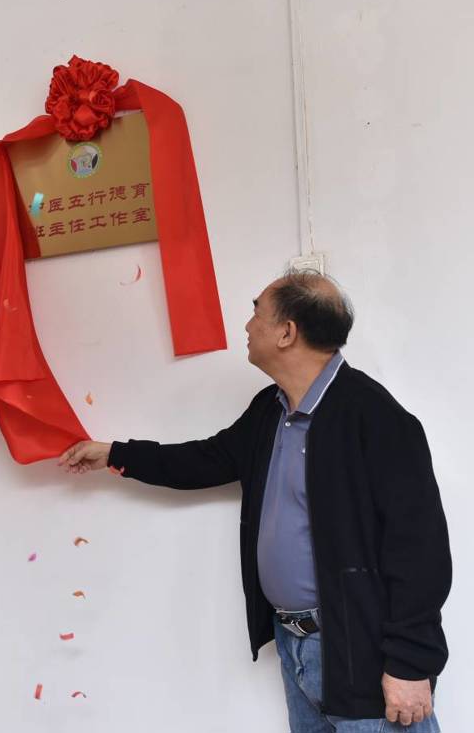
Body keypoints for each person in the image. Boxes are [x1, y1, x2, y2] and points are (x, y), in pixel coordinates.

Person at [59, 270, 451, 732]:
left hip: (359, 647)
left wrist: (410, 663)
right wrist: (114, 454)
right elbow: (206, 460)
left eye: (256, 313)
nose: (247, 325)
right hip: (296, 645)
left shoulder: (375, 417)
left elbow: (420, 549)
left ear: (287, 332)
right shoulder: (271, 409)